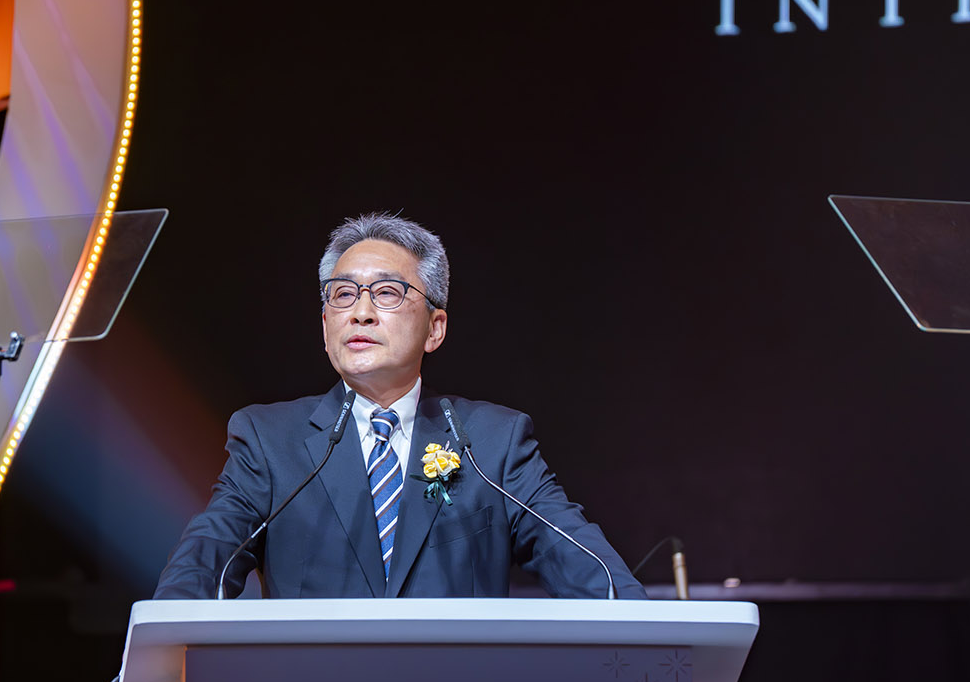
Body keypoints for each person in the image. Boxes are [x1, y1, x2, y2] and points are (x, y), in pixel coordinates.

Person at [153, 213, 646, 600]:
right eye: (343, 295)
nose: (360, 312)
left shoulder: (493, 443)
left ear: (435, 328)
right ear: (325, 324)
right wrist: (162, 640)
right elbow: (202, 564)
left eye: (387, 292)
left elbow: (593, 574)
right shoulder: (269, 441)